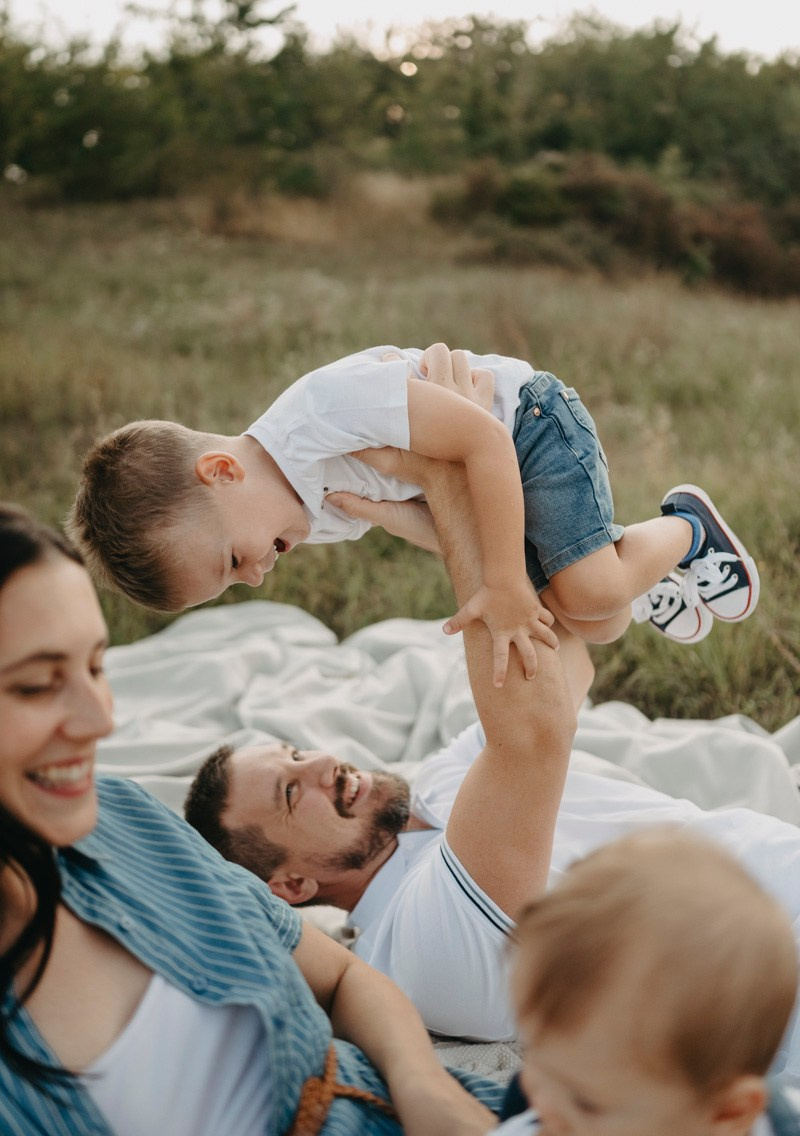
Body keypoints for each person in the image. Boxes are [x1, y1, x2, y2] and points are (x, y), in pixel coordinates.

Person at [183, 355, 800, 1084]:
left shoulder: (442, 780)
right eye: (292, 793)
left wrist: (451, 516)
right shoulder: (414, 950)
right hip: (777, 989)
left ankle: (678, 540)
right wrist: (450, 477)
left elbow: (564, 667)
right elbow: (533, 733)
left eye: (293, 753)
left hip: (775, 867)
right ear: (288, 887)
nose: (317, 766)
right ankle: (684, 534)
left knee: (588, 607)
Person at [0, 501, 509, 1136]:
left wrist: (422, 1084)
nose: (100, 719)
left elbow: (340, 978)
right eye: (34, 686)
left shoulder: (124, 819)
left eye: (97, 666)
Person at [66, 343, 758, 687]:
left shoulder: (321, 414)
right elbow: (428, 515)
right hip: (482, 486)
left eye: (232, 560)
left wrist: (509, 586)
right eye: (234, 583)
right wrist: (495, 578)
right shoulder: (309, 512)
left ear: (222, 472)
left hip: (527, 427)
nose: (255, 577)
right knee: (597, 623)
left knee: (590, 594)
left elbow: (481, 440)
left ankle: (690, 527)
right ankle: (652, 569)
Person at [493, 829, 800, 1136]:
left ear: (727, 1115)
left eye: (586, 1104)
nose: (543, 1106)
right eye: (532, 1053)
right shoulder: (546, 1105)